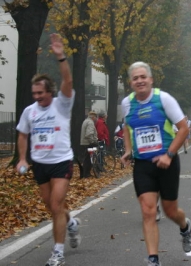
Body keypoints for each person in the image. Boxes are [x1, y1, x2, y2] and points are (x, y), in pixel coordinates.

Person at [15, 33, 82, 266]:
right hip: (40, 164)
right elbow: (23, 134)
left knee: (56, 204)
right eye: (34, 94)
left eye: (40, 93)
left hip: (62, 161)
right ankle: (71, 223)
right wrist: (22, 158)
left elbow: (69, 82)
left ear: (50, 91)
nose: (37, 97)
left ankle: (58, 251)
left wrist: (60, 57)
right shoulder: (29, 111)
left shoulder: (61, 104)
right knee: (51, 206)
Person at [120, 61, 191, 266]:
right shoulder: (127, 103)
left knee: (171, 211)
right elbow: (126, 126)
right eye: (135, 78)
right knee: (148, 211)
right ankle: (153, 259)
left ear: (150, 80)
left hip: (167, 162)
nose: (140, 81)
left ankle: (185, 226)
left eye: (143, 77)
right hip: (143, 164)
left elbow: (183, 128)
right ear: (131, 83)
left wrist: (169, 155)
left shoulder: (163, 99)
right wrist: (128, 150)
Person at [80, 111, 98, 177]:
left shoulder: (85, 121)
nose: (96, 119)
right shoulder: (90, 122)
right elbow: (89, 134)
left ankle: (86, 173)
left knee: (86, 158)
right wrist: (92, 141)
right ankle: (86, 173)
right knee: (88, 159)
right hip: (89, 143)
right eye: (96, 117)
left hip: (85, 142)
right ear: (93, 117)